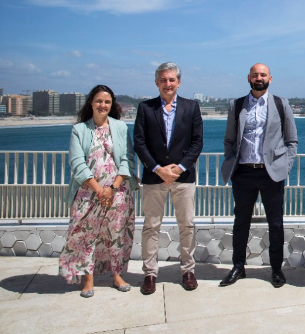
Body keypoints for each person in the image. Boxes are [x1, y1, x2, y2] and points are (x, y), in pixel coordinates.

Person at [219, 63, 298, 288]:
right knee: (241, 222)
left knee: (276, 223)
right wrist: (232, 163)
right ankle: (238, 267)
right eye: (255, 75)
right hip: (243, 173)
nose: (259, 78)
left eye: (263, 75)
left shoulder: (281, 104)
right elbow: (229, 139)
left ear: (270, 78)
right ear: (249, 78)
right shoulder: (237, 105)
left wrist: (285, 167)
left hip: (271, 174)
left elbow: (292, 140)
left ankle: (276, 270)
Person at [59, 85, 138, 298]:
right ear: (91, 103)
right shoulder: (79, 130)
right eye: (99, 101)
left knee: (116, 234)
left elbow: (128, 159)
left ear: (112, 105)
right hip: (88, 192)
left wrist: (112, 188)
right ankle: (88, 279)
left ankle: (117, 275)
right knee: (86, 235)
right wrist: (99, 190)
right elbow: (77, 164)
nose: (103, 105)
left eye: (107, 102)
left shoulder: (120, 127)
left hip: (118, 192)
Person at [134, 62, 204, 294]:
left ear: (179, 82)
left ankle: (188, 271)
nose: (168, 84)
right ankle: (150, 274)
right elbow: (139, 143)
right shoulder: (145, 108)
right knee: (151, 226)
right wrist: (158, 169)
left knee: (187, 225)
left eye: (172, 79)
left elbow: (197, 142)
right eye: (163, 80)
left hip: (183, 177)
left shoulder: (192, 107)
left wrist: (179, 168)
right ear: (156, 82)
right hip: (154, 178)